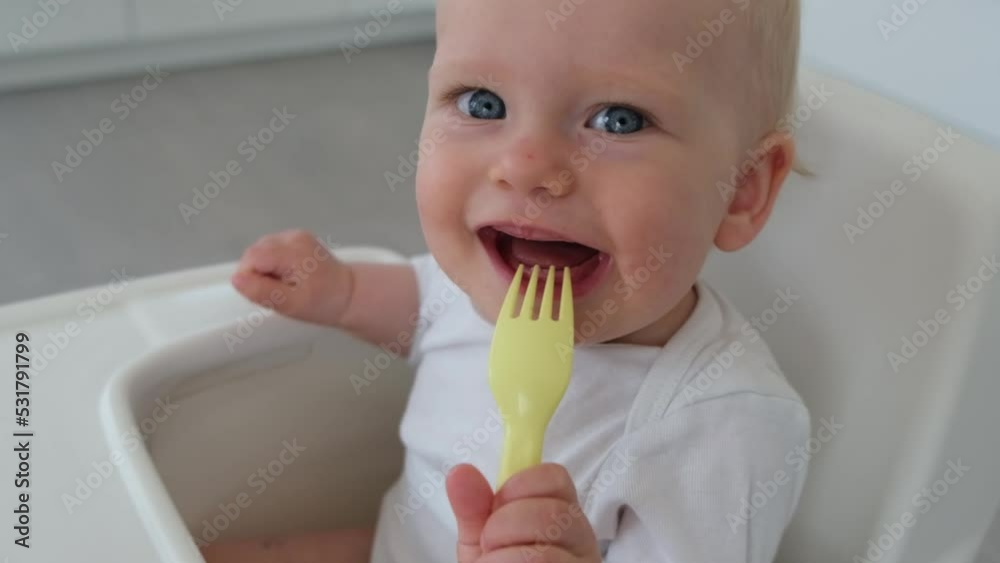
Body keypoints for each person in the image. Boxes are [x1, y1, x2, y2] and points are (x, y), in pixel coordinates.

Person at [204, 0, 810, 560]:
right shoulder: (491, 282)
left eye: (618, 120)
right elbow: (422, 305)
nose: (524, 167)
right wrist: (341, 293)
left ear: (742, 189)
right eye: (482, 104)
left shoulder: (719, 426)